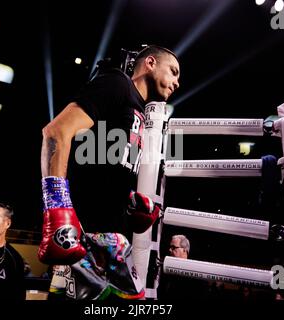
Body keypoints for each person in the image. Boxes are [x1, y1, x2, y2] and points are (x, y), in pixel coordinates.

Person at [38, 45, 180, 299]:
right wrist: (57, 209)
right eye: (173, 71)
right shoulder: (117, 84)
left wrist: (127, 202)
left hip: (110, 242)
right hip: (83, 240)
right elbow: (56, 132)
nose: (177, 82)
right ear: (150, 63)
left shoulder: (135, 108)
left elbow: (99, 164)